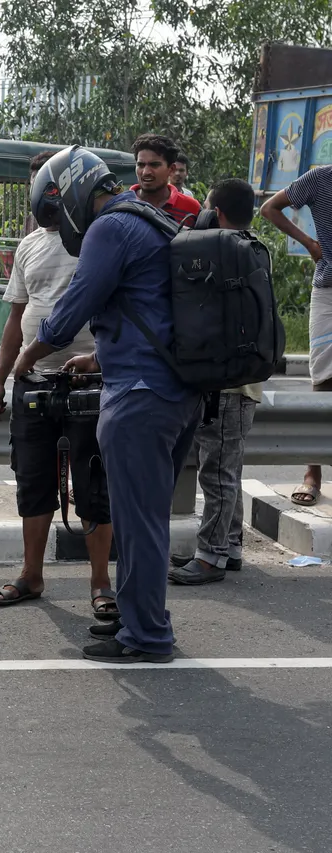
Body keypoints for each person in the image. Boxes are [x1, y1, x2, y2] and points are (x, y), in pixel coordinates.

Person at [14, 146, 201, 663]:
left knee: (138, 520)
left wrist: (27, 355)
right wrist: (101, 357)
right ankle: (142, 618)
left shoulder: (111, 227)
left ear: (72, 189)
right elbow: (149, 308)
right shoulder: (151, 219)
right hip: (175, 389)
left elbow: (76, 302)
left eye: (56, 210)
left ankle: (146, 637)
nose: (59, 223)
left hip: (141, 397)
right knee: (146, 517)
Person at [0, 151, 115, 619]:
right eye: (40, 186)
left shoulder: (101, 237)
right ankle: (31, 575)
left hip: (91, 380)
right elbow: (15, 318)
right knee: (32, 481)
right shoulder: (29, 245)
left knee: (94, 484)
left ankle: (101, 584)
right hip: (32, 380)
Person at [169, 179, 265, 585]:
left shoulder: (222, 252)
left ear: (217, 212)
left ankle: (210, 557)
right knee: (229, 468)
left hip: (225, 386)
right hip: (245, 383)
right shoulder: (254, 247)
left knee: (216, 474)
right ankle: (231, 544)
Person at [260, 163, 331, 507]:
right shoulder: (320, 178)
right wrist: (309, 243)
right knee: (323, 374)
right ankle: (312, 472)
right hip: (329, 290)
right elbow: (268, 208)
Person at [130, 134, 201, 226]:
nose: (146, 172)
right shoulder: (121, 204)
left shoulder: (192, 208)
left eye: (154, 165)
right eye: (141, 165)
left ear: (171, 169)